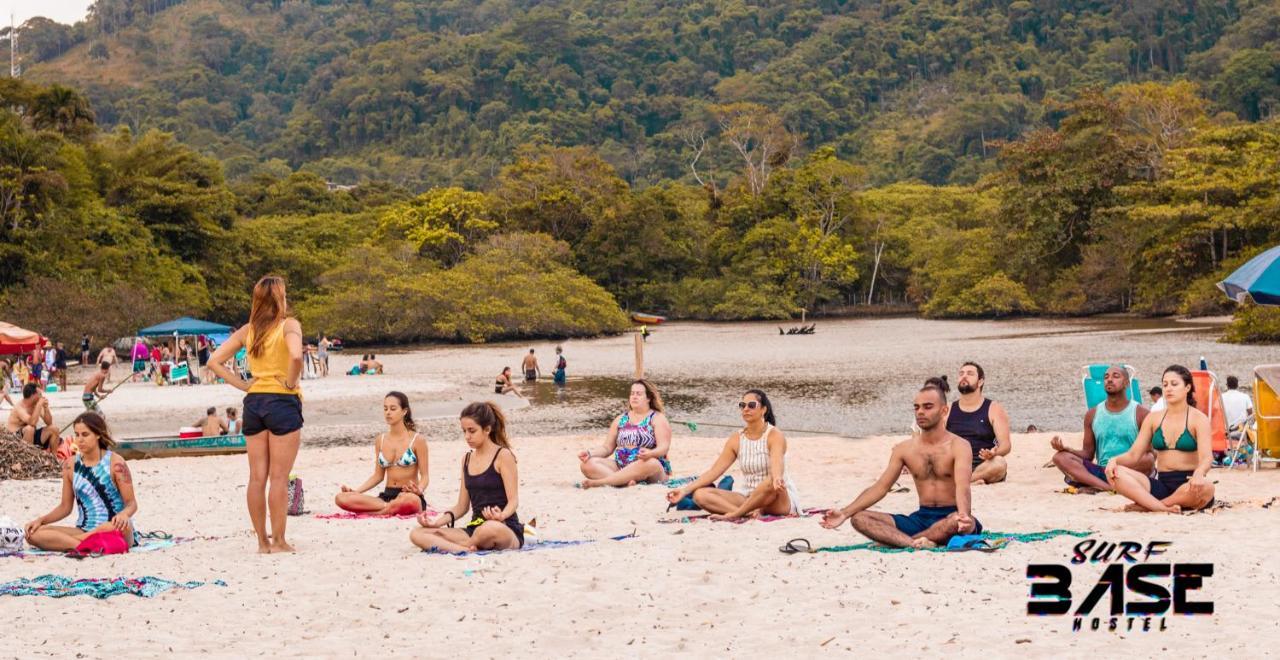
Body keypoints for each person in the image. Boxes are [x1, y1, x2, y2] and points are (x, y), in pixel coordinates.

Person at [207, 275, 305, 554]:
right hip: (282, 401)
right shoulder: (290, 325)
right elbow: (296, 357)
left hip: (254, 402)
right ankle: (280, 541)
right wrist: (289, 382)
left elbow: (214, 361)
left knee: (256, 477)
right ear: (280, 298)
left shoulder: (249, 330)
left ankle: (262, 542)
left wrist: (243, 385)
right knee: (278, 477)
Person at [820, 384, 980, 548]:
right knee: (859, 518)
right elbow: (881, 487)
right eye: (916, 408)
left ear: (944, 411)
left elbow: (963, 487)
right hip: (921, 518)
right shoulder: (904, 449)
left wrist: (964, 516)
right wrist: (844, 513)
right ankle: (913, 543)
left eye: (928, 407)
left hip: (951, 515)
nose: (920, 412)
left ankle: (899, 541)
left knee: (954, 522)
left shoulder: (959, 445)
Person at [665, 389, 801, 520]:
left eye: (751, 405)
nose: (745, 409)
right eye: (742, 405)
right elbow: (714, 471)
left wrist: (777, 477)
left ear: (763, 410)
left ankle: (735, 514)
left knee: (770, 481)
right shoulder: (736, 438)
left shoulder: (774, 435)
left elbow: (777, 463)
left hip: (776, 498)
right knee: (700, 495)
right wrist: (684, 491)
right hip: (748, 497)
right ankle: (746, 513)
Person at [410, 402, 524, 553]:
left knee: (488, 529)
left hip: (503, 527)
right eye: (464, 431)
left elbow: (513, 501)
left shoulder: (503, 456)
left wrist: (501, 515)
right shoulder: (467, 459)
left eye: (472, 431)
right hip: (474, 529)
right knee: (417, 533)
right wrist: (436, 523)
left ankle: (463, 545)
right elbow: (461, 507)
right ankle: (464, 548)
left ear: (487, 429)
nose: (467, 437)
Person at [1106, 365, 1216, 513]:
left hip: (1189, 485)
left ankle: (1149, 506)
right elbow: (1133, 455)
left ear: (1187, 387)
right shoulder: (1153, 418)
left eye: (1174, 384)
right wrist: (1115, 461)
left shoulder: (1199, 419)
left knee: (1208, 487)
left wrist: (1199, 473)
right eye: (1165, 384)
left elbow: (1206, 458)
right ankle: (1162, 507)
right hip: (1161, 485)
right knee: (1116, 473)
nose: (1168, 389)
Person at [25, 412, 139, 551]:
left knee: (115, 526)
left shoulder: (116, 463)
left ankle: (71, 543)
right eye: (76, 434)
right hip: (84, 530)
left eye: (85, 435)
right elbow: (65, 507)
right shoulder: (69, 465)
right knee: (33, 534)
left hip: (114, 527)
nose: (79, 440)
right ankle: (86, 545)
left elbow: (131, 503)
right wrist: (40, 520)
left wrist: (123, 514)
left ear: (98, 434)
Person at [1050, 365, 1154, 491]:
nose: (1109, 379)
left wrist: (1122, 463)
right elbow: (1088, 454)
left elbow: (1150, 453)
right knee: (1060, 457)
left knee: (1148, 458)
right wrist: (1066, 449)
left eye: (1116, 376)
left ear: (1126, 383)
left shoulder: (1141, 413)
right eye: (1106, 377)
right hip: (1103, 471)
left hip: (1130, 470)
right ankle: (1108, 487)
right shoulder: (1092, 414)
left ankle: (1102, 486)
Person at [336, 392, 430, 516]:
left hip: (409, 495)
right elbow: (378, 476)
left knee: (409, 501)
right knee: (341, 498)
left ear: (404, 411)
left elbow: (425, 476)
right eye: (385, 409)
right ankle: (387, 509)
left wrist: (420, 489)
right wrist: (356, 492)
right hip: (385, 497)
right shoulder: (380, 440)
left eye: (393, 409)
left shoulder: (417, 440)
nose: (388, 412)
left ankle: (378, 512)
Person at [579, 379, 673, 488]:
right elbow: (607, 448)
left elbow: (664, 447)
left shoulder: (657, 418)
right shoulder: (620, 419)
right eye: (632, 393)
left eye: (639, 394)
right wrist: (590, 453)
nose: (634, 396)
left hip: (648, 466)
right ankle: (624, 482)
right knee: (587, 464)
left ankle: (601, 482)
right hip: (621, 466)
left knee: (651, 463)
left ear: (648, 398)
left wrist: (650, 454)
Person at [946, 362, 1011, 484]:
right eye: (961, 374)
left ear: (980, 382)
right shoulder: (947, 410)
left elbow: (1006, 445)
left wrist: (994, 453)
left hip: (983, 464)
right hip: (955, 464)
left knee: (1000, 464)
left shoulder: (994, 409)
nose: (964, 376)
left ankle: (968, 480)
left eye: (970, 374)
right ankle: (971, 481)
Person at [7, 383, 55, 451]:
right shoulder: (19, 407)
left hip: (31, 437)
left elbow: (49, 423)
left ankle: (54, 458)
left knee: (53, 429)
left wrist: (46, 408)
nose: (41, 396)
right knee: (30, 429)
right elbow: (32, 423)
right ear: (33, 396)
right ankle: (28, 456)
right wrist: (39, 405)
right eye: (40, 394)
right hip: (16, 439)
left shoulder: (36, 404)